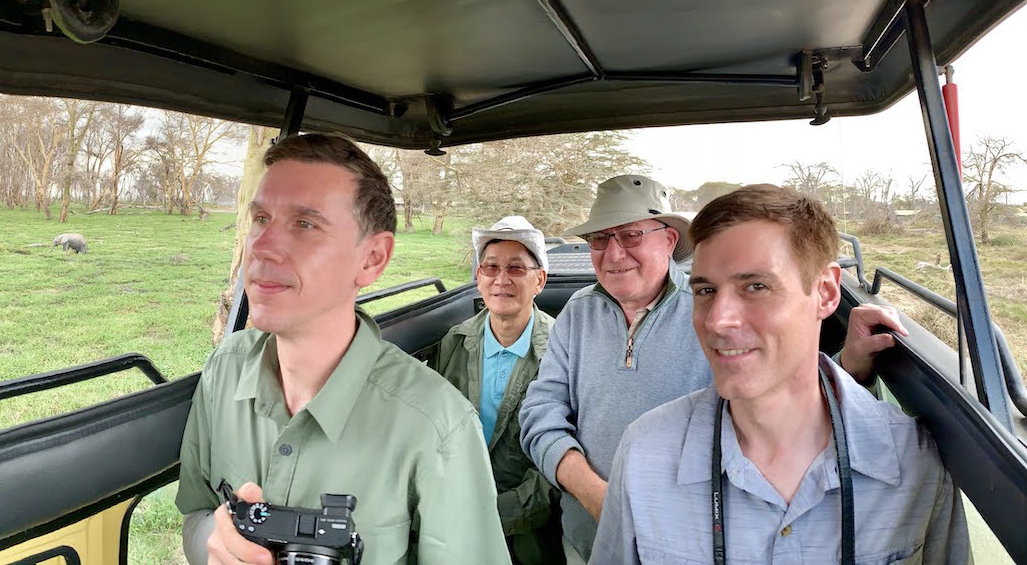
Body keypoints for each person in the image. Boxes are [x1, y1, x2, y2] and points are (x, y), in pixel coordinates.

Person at [518, 175, 901, 563]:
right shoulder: (577, 313)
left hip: (693, 543)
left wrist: (851, 366)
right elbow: (541, 409)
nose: (614, 253)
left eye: (631, 235)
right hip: (586, 537)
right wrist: (593, 493)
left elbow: (784, 393)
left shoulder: (710, 312)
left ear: (669, 240)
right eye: (599, 239)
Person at [175, 133, 510, 565]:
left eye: (304, 224)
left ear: (372, 259)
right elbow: (196, 511)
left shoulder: (438, 427)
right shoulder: (225, 367)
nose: (261, 247)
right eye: (260, 218)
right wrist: (216, 544)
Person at [590, 184, 969, 563]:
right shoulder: (644, 455)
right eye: (705, 290)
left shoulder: (916, 458)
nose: (718, 321)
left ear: (824, 292)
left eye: (755, 286)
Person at [427, 215, 565, 565]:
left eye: (516, 268)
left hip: (529, 527)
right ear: (478, 278)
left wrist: (494, 514)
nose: (501, 279)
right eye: (490, 267)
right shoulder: (453, 344)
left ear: (540, 281)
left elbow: (560, 460)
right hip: (453, 514)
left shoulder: (562, 352)